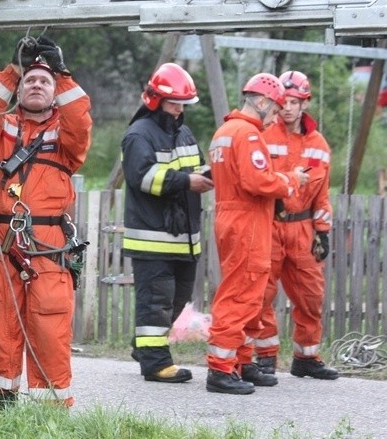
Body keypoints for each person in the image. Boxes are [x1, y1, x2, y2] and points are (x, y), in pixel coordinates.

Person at [0, 36, 91, 409]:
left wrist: (63, 74)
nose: (36, 84)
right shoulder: (0, 130)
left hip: (49, 245)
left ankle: (49, 415)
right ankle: (4, 409)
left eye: (45, 82)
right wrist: (13, 70)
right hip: (0, 243)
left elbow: (80, 116)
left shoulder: (66, 136)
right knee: (1, 327)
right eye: (30, 80)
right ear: (19, 89)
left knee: (50, 329)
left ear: (56, 93)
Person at [204, 73, 309, 395]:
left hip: (236, 218)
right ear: (262, 102)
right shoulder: (247, 134)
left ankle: (241, 361)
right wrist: (291, 180)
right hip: (246, 221)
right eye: (275, 111)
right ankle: (221, 369)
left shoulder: (225, 131)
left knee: (251, 292)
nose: (276, 117)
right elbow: (258, 182)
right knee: (242, 292)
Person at [121, 63, 213, 384]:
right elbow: (142, 177)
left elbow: (198, 167)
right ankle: (156, 363)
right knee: (156, 301)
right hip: (152, 237)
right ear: (154, 100)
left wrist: (212, 175)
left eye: (183, 104)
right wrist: (187, 182)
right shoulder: (138, 135)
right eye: (174, 103)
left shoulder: (183, 132)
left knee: (177, 299)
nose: (179, 109)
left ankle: (146, 348)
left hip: (184, 238)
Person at [254, 71, 338, 380]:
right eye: (282, 102)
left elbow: (322, 195)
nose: (287, 108)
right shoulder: (263, 135)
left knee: (311, 296)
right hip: (271, 225)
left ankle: (306, 356)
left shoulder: (319, 144)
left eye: (294, 102)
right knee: (262, 293)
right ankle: (265, 356)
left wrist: (323, 232)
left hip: (303, 230)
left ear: (304, 104)